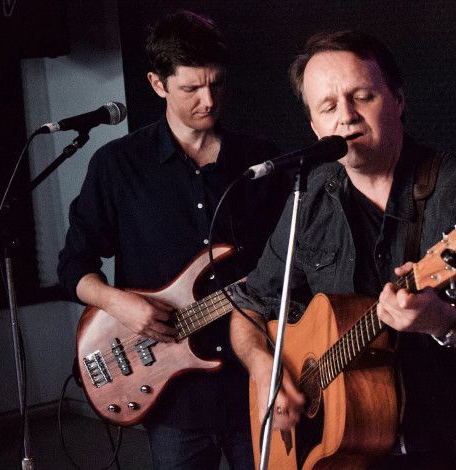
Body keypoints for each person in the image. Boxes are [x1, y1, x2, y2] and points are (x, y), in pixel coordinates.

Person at [230, 31, 456, 468]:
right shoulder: (313, 194)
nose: (346, 116)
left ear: (397, 100)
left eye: (363, 96)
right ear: (314, 128)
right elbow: (250, 304)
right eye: (328, 107)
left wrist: (444, 320)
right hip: (345, 450)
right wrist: (262, 365)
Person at [57, 11, 289, 469]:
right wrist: (121, 304)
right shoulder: (117, 165)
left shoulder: (263, 161)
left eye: (217, 85)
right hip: (170, 391)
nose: (208, 100)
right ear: (157, 84)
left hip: (256, 374)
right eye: (190, 89)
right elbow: (72, 267)